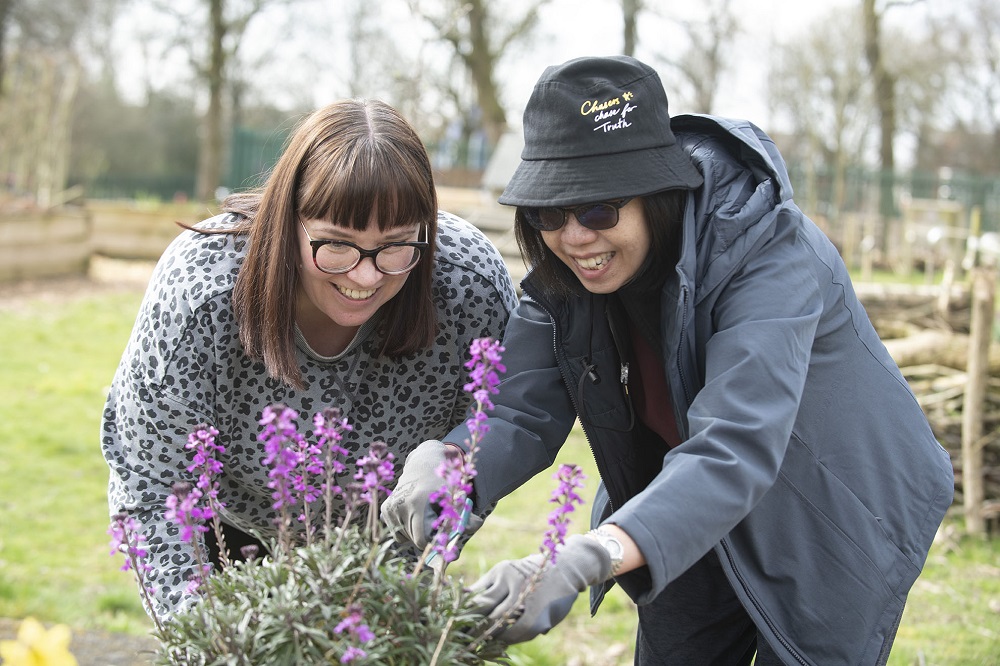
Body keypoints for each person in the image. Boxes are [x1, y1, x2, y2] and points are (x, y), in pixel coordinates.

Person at [381, 56, 954, 664]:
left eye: (600, 210)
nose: (576, 237)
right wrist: (447, 464)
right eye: (551, 213)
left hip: (830, 510)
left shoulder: (767, 253)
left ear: (658, 194)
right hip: (681, 503)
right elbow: (517, 413)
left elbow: (735, 444)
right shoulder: (563, 284)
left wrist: (585, 557)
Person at [101, 98, 518, 622]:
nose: (365, 276)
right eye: (336, 246)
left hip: (384, 539)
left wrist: (451, 491)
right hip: (228, 537)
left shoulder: (467, 284)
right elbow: (152, 480)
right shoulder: (201, 291)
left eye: (394, 246)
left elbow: (500, 421)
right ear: (287, 223)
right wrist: (205, 633)